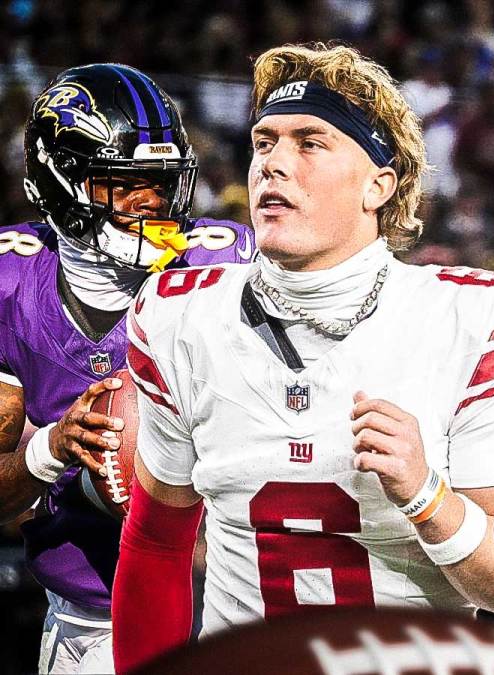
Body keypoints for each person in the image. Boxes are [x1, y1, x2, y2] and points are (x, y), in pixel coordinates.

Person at [111, 43, 494, 673]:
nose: (273, 164)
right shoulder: (180, 316)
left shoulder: (472, 322)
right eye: (263, 142)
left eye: (310, 142)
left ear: (379, 185)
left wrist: (426, 496)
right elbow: (158, 541)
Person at [0, 64, 254, 673]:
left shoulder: (226, 265)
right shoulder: (12, 286)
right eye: (127, 182)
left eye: (161, 182)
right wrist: (53, 451)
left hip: (240, 603)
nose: (152, 201)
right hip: (97, 622)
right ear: (64, 183)